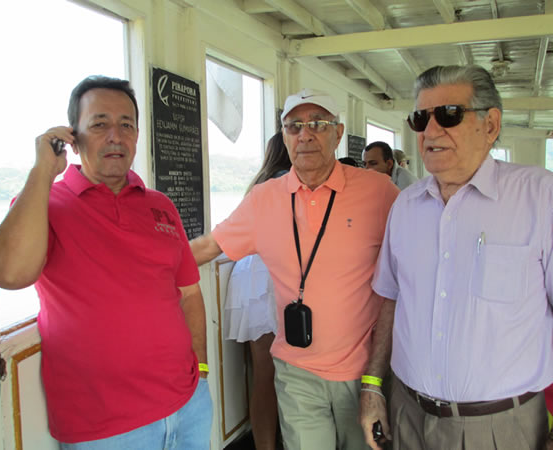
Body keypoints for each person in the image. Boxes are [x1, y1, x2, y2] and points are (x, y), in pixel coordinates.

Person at [0, 76, 212, 449]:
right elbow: (9, 274)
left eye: (126, 125)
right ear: (73, 139)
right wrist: (43, 170)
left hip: (189, 405)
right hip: (104, 428)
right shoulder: (46, 204)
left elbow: (189, 293)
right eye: (99, 124)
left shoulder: (161, 206)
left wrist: (201, 370)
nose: (115, 136)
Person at [191, 88, 399, 449]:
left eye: (318, 124)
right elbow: (209, 246)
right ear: (284, 136)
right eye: (294, 126)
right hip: (296, 372)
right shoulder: (264, 198)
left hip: (365, 373)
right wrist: (135, 262)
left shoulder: (379, 191)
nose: (305, 135)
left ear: (338, 132)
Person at [360, 65, 553, 450]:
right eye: (421, 119)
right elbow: (392, 300)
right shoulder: (405, 207)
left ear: (490, 125)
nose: (431, 131)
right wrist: (372, 385)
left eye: (449, 115)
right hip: (408, 416)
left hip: (502, 428)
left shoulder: (540, 198)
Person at [224, 131, 291, 450]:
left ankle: (265, 445)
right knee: (290, 374)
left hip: (248, 277)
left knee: (262, 373)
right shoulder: (289, 183)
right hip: (273, 278)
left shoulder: (259, 184)